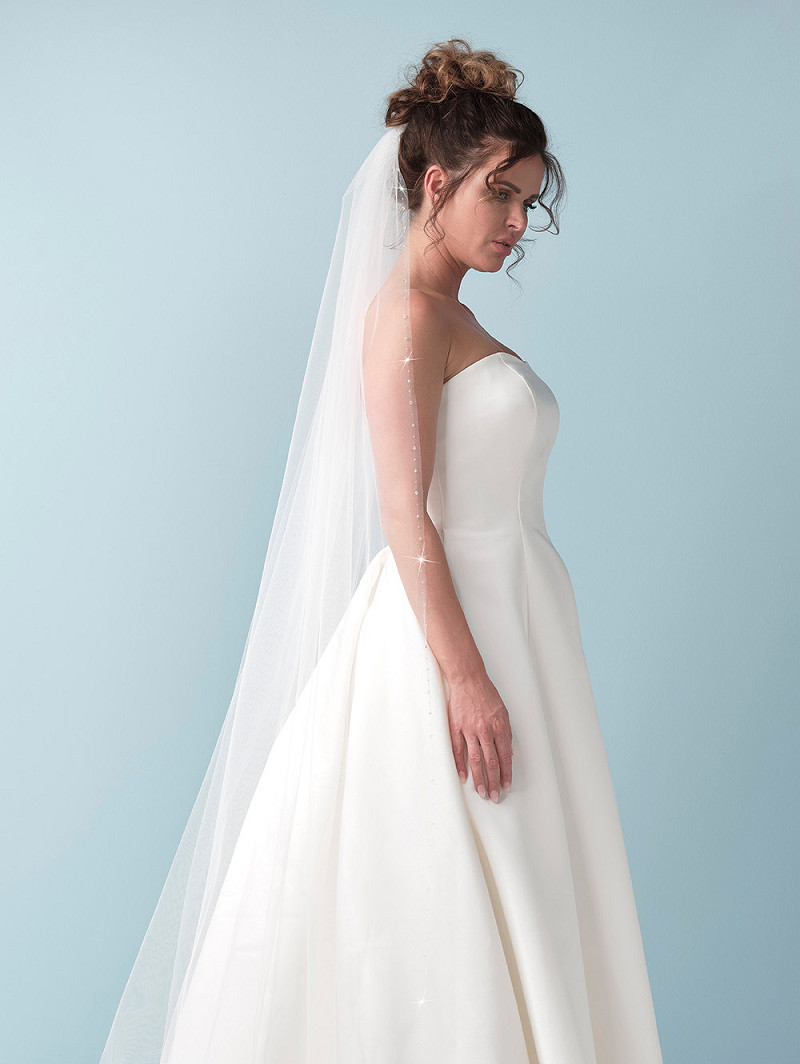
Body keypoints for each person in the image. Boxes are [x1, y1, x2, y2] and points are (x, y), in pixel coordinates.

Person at [99, 38, 664, 1064]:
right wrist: (464, 677)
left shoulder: (450, 314)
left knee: (532, 880)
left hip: (519, 630)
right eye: (500, 194)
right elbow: (406, 513)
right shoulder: (406, 315)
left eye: (527, 202)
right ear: (436, 183)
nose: (516, 222)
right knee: (450, 885)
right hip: (452, 641)